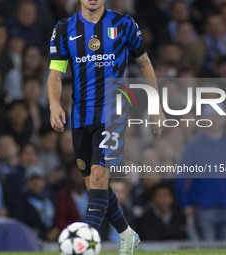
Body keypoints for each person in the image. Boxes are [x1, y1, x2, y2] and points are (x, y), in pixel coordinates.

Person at [47, 0, 165, 253]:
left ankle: (83, 243)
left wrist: (155, 106)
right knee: (93, 185)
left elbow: (144, 63)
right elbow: (56, 72)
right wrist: (54, 105)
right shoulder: (64, 28)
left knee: (100, 177)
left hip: (113, 113)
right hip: (80, 116)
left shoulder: (123, 24)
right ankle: (127, 234)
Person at [175, 104, 226, 241]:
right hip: (203, 207)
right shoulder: (194, 145)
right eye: (211, 117)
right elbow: (182, 175)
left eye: (217, 117)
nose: (215, 120)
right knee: (207, 247)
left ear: (223, 119)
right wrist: (185, 203)